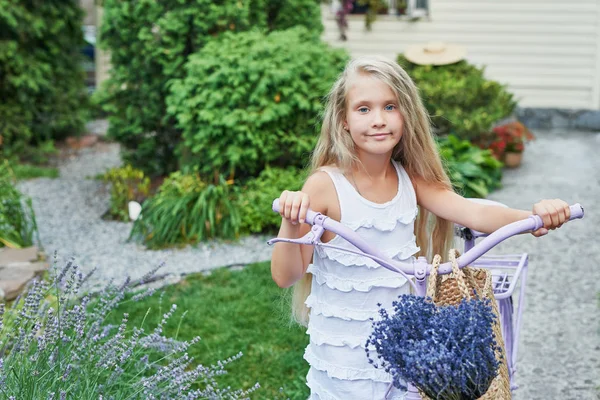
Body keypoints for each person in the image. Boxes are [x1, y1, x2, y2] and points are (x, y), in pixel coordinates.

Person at [270, 56, 570, 400]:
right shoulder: (325, 187)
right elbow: (285, 275)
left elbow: (471, 212)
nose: (379, 120)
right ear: (343, 122)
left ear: (406, 115)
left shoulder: (408, 179)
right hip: (343, 357)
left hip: (404, 351)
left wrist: (534, 216)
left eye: (390, 106)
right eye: (363, 109)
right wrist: (291, 222)